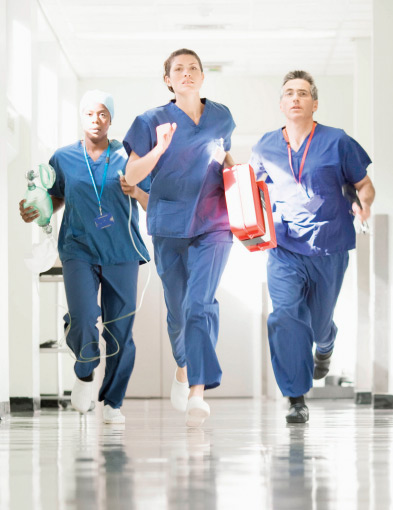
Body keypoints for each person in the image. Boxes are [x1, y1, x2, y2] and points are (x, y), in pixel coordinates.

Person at [250, 70, 375, 423]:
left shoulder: (338, 141)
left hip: (329, 245)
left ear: (314, 103)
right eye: (288, 92)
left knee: (318, 322)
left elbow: (364, 184)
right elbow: (253, 192)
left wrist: (363, 203)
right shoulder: (264, 146)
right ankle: (296, 397)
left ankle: (326, 342)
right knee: (286, 315)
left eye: (302, 93)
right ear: (280, 104)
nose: (295, 98)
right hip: (284, 245)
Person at [19, 90, 150, 424]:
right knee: (82, 318)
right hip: (78, 249)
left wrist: (135, 190)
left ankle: (112, 402)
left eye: (103, 113)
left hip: (121, 250)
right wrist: (37, 209)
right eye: (90, 113)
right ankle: (85, 371)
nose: (96, 120)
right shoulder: (63, 158)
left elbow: (153, 201)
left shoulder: (129, 155)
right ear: (82, 117)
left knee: (120, 333)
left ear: (111, 118)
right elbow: (54, 198)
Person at [123, 48, 236, 427]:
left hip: (214, 222)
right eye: (178, 70)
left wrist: (241, 177)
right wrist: (160, 148)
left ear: (203, 77)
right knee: (177, 312)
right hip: (169, 224)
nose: (186, 74)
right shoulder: (150, 120)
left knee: (199, 304)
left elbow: (225, 158)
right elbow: (133, 175)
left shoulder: (222, 116)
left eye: (193, 69)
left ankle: (197, 391)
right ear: (168, 81)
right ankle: (185, 367)